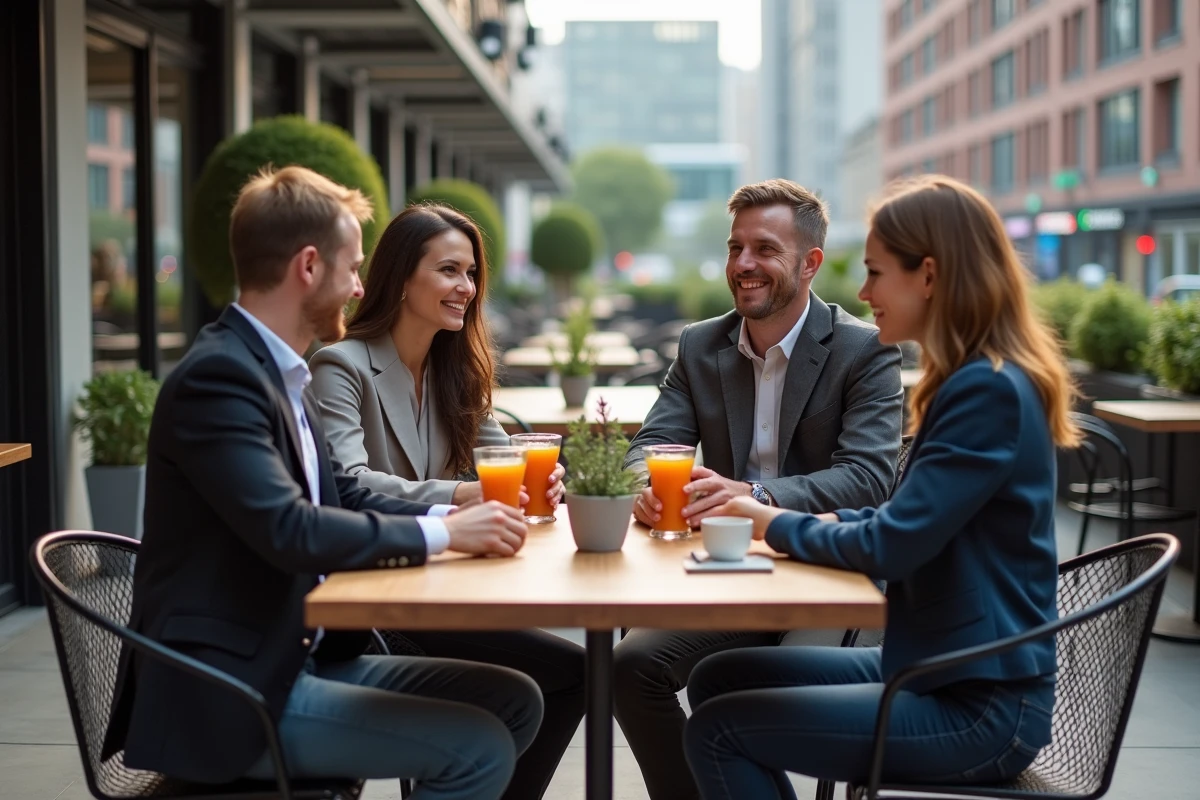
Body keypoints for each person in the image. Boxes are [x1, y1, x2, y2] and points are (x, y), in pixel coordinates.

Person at [101, 166, 544, 800]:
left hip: (298, 656)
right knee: (476, 747)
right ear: (309, 267)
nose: (361, 287)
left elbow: (349, 494)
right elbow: (289, 528)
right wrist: (444, 530)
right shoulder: (220, 380)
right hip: (232, 690)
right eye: (352, 268)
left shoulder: (280, 373)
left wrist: (452, 526)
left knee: (516, 699)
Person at [683, 175, 1079, 799]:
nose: (863, 293)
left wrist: (765, 520)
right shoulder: (973, 380)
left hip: (977, 704)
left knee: (717, 728)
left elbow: (894, 545)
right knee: (719, 679)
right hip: (935, 666)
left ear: (928, 275)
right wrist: (835, 524)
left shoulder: (987, 391)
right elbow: (906, 519)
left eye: (875, 272)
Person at [614, 179, 903, 800]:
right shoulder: (699, 345)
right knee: (630, 668)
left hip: (829, 577)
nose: (744, 265)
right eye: (735, 247)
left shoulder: (866, 350)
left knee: (744, 699)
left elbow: (870, 478)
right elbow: (647, 448)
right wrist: (647, 488)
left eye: (765, 249)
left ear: (810, 262)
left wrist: (754, 499)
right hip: (726, 572)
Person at [309, 204, 584, 800]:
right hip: (381, 605)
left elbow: (503, 460)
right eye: (450, 271)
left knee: (574, 673)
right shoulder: (341, 366)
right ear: (402, 277)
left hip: (446, 588)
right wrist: (466, 493)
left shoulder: (452, 368)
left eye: (472, 273)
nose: (467, 288)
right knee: (568, 674)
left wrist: (547, 477)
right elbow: (349, 483)